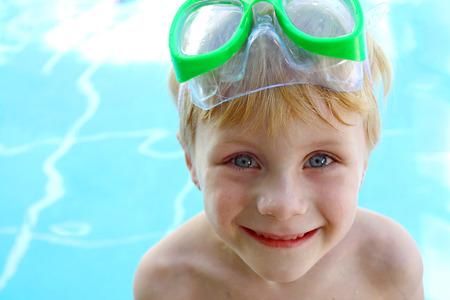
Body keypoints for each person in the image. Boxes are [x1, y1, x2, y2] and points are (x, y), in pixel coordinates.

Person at [134, 0, 424, 298]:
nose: (283, 206)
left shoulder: (390, 265)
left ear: (365, 157)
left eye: (320, 160)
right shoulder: (168, 283)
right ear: (190, 161)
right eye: (243, 161)